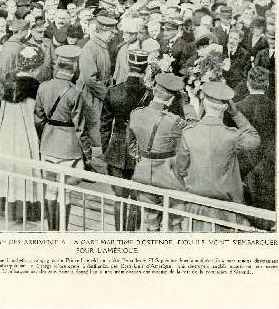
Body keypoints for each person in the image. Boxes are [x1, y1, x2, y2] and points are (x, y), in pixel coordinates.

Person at [175, 81, 260, 231]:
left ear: (203, 103)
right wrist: (236, 114)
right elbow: (254, 139)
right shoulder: (232, 136)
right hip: (226, 210)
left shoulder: (189, 132)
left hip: (195, 206)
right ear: (226, 107)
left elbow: (180, 170)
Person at [35, 45, 92, 230]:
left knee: (50, 190)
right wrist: (88, 155)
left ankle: (52, 230)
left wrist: (46, 135)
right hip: (69, 149)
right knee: (65, 193)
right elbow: (81, 128)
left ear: (57, 65)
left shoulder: (43, 87)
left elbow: (38, 118)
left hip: (48, 145)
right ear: (74, 67)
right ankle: (62, 230)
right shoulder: (75, 93)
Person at [128, 73, 189, 231]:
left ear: (154, 91)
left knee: (150, 221)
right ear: (171, 99)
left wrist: (142, 157)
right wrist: (186, 104)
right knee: (175, 221)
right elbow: (194, 130)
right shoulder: (174, 121)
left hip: (142, 172)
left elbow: (131, 145)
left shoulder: (136, 114)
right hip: (168, 175)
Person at [0, 44, 44, 223]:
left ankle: (5, 206)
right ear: (34, 68)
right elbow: (35, 116)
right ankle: (25, 210)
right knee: (25, 162)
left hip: (6, 129)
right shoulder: (33, 86)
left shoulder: (8, 80)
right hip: (24, 129)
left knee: (7, 162)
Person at [101, 50, 148, 230]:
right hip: (140, 150)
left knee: (119, 198)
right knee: (136, 196)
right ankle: (132, 233)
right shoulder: (149, 95)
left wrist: (107, 149)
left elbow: (104, 126)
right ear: (144, 68)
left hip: (117, 148)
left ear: (128, 66)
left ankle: (119, 233)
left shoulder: (113, 92)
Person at [77, 15, 117, 147]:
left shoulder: (102, 46)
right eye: (111, 33)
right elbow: (89, 79)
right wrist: (107, 95)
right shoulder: (90, 47)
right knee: (95, 130)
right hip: (90, 96)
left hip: (98, 94)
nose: (113, 36)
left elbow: (107, 74)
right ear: (103, 31)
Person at [26, 18, 57, 83]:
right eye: (39, 32)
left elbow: (54, 62)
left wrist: (55, 79)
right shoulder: (27, 45)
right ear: (32, 31)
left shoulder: (48, 42)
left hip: (48, 79)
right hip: (34, 81)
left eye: (43, 32)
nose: (42, 35)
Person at [113, 18, 141, 85]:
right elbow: (118, 65)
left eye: (125, 34)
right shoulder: (123, 47)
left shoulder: (140, 49)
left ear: (134, 35)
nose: (122, 37)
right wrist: (114, 77)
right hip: (120, 82)